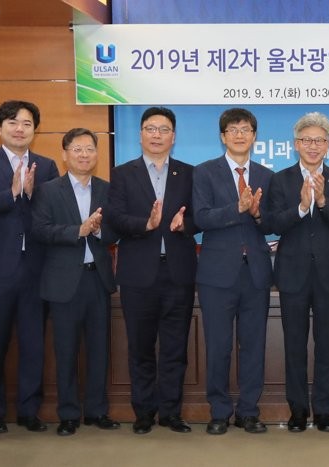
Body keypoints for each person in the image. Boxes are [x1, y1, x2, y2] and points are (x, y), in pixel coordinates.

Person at [0, 100, 60, 434]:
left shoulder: (46, 166)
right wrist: (12, 193)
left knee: (34, 344)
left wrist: (33, 196)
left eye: (26, 123)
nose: (19, 129)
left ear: (35, 129)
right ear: (0, 128)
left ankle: (28, 411)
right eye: (12, 122)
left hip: (35, 268)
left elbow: (54, 213)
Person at [105, 107, 195, 434]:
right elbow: (115, 217)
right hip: (138, 274)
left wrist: (185, 224)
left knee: (175, 348)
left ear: (174, 136)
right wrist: (146, 224)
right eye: (150, 129)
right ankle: (143, 412)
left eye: (164, 129)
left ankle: (171, 412)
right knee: (140, 347)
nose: (157, 135)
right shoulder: (122, 174)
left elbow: (200, 216)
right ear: (140, 134)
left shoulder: (189, 173)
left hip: (178, 273)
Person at [31, 128, 119, 436]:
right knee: (66, 350)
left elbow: (116, 231)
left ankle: (97, 411)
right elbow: (40, 230)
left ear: (97, 154)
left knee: (99, 349)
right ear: (65, 154)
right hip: (63, 282)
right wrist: (77, 231)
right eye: (77, 149)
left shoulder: (107, 189)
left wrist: (98, 230)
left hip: (97, 279)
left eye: (89, 149)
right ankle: (68, 414)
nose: (84, 155)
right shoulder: (48, 191)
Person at [192, 107, 274, 435]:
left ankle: (249, 411)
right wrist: (236, 208)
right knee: (218, 345)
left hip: (255, 273)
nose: (240, 135)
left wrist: (256, 214)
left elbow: (270, 223)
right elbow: (201, 217)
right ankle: (219, 411)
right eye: (233, 130)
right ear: (223, 136)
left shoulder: (267, 175)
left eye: (246, 130)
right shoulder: (204, 172)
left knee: (253, 346)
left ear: (254, 136)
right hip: (217, 274)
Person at [267, 112, 329, 433]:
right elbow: (274, 223)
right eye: (307, 140)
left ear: (328, 145)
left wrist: (323, 201)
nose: (313, 146)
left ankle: (325, 411)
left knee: (327, 345)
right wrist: (301, 207)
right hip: (292, 273)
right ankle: (298, 410)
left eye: (319, 140)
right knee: (295, 346)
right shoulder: (280, 179)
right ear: (296, 144)